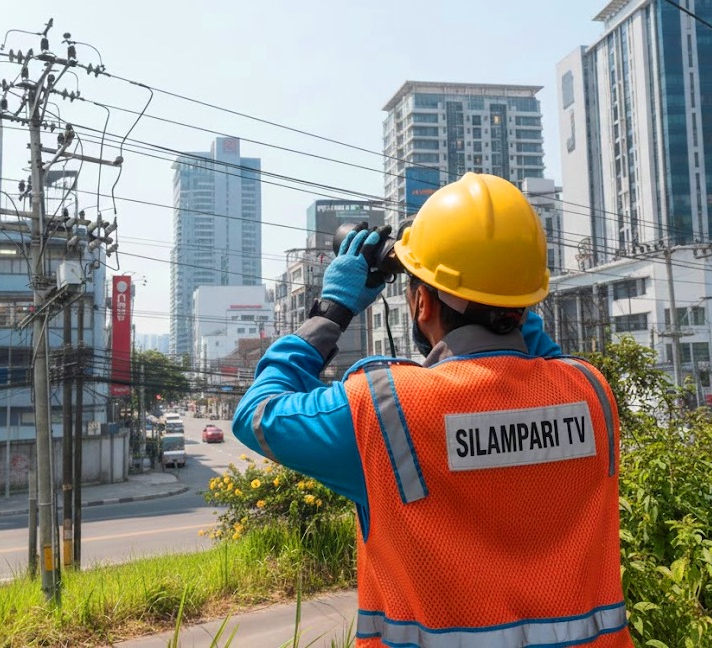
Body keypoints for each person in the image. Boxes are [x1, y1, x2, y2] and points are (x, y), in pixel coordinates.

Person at [232, 172, 631, 647]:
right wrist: (503, 286)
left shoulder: (385, 411)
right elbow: (535, 347)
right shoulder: (591, 393)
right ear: (525, 300)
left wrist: (333, 309)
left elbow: (258, 414)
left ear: (422, 305)